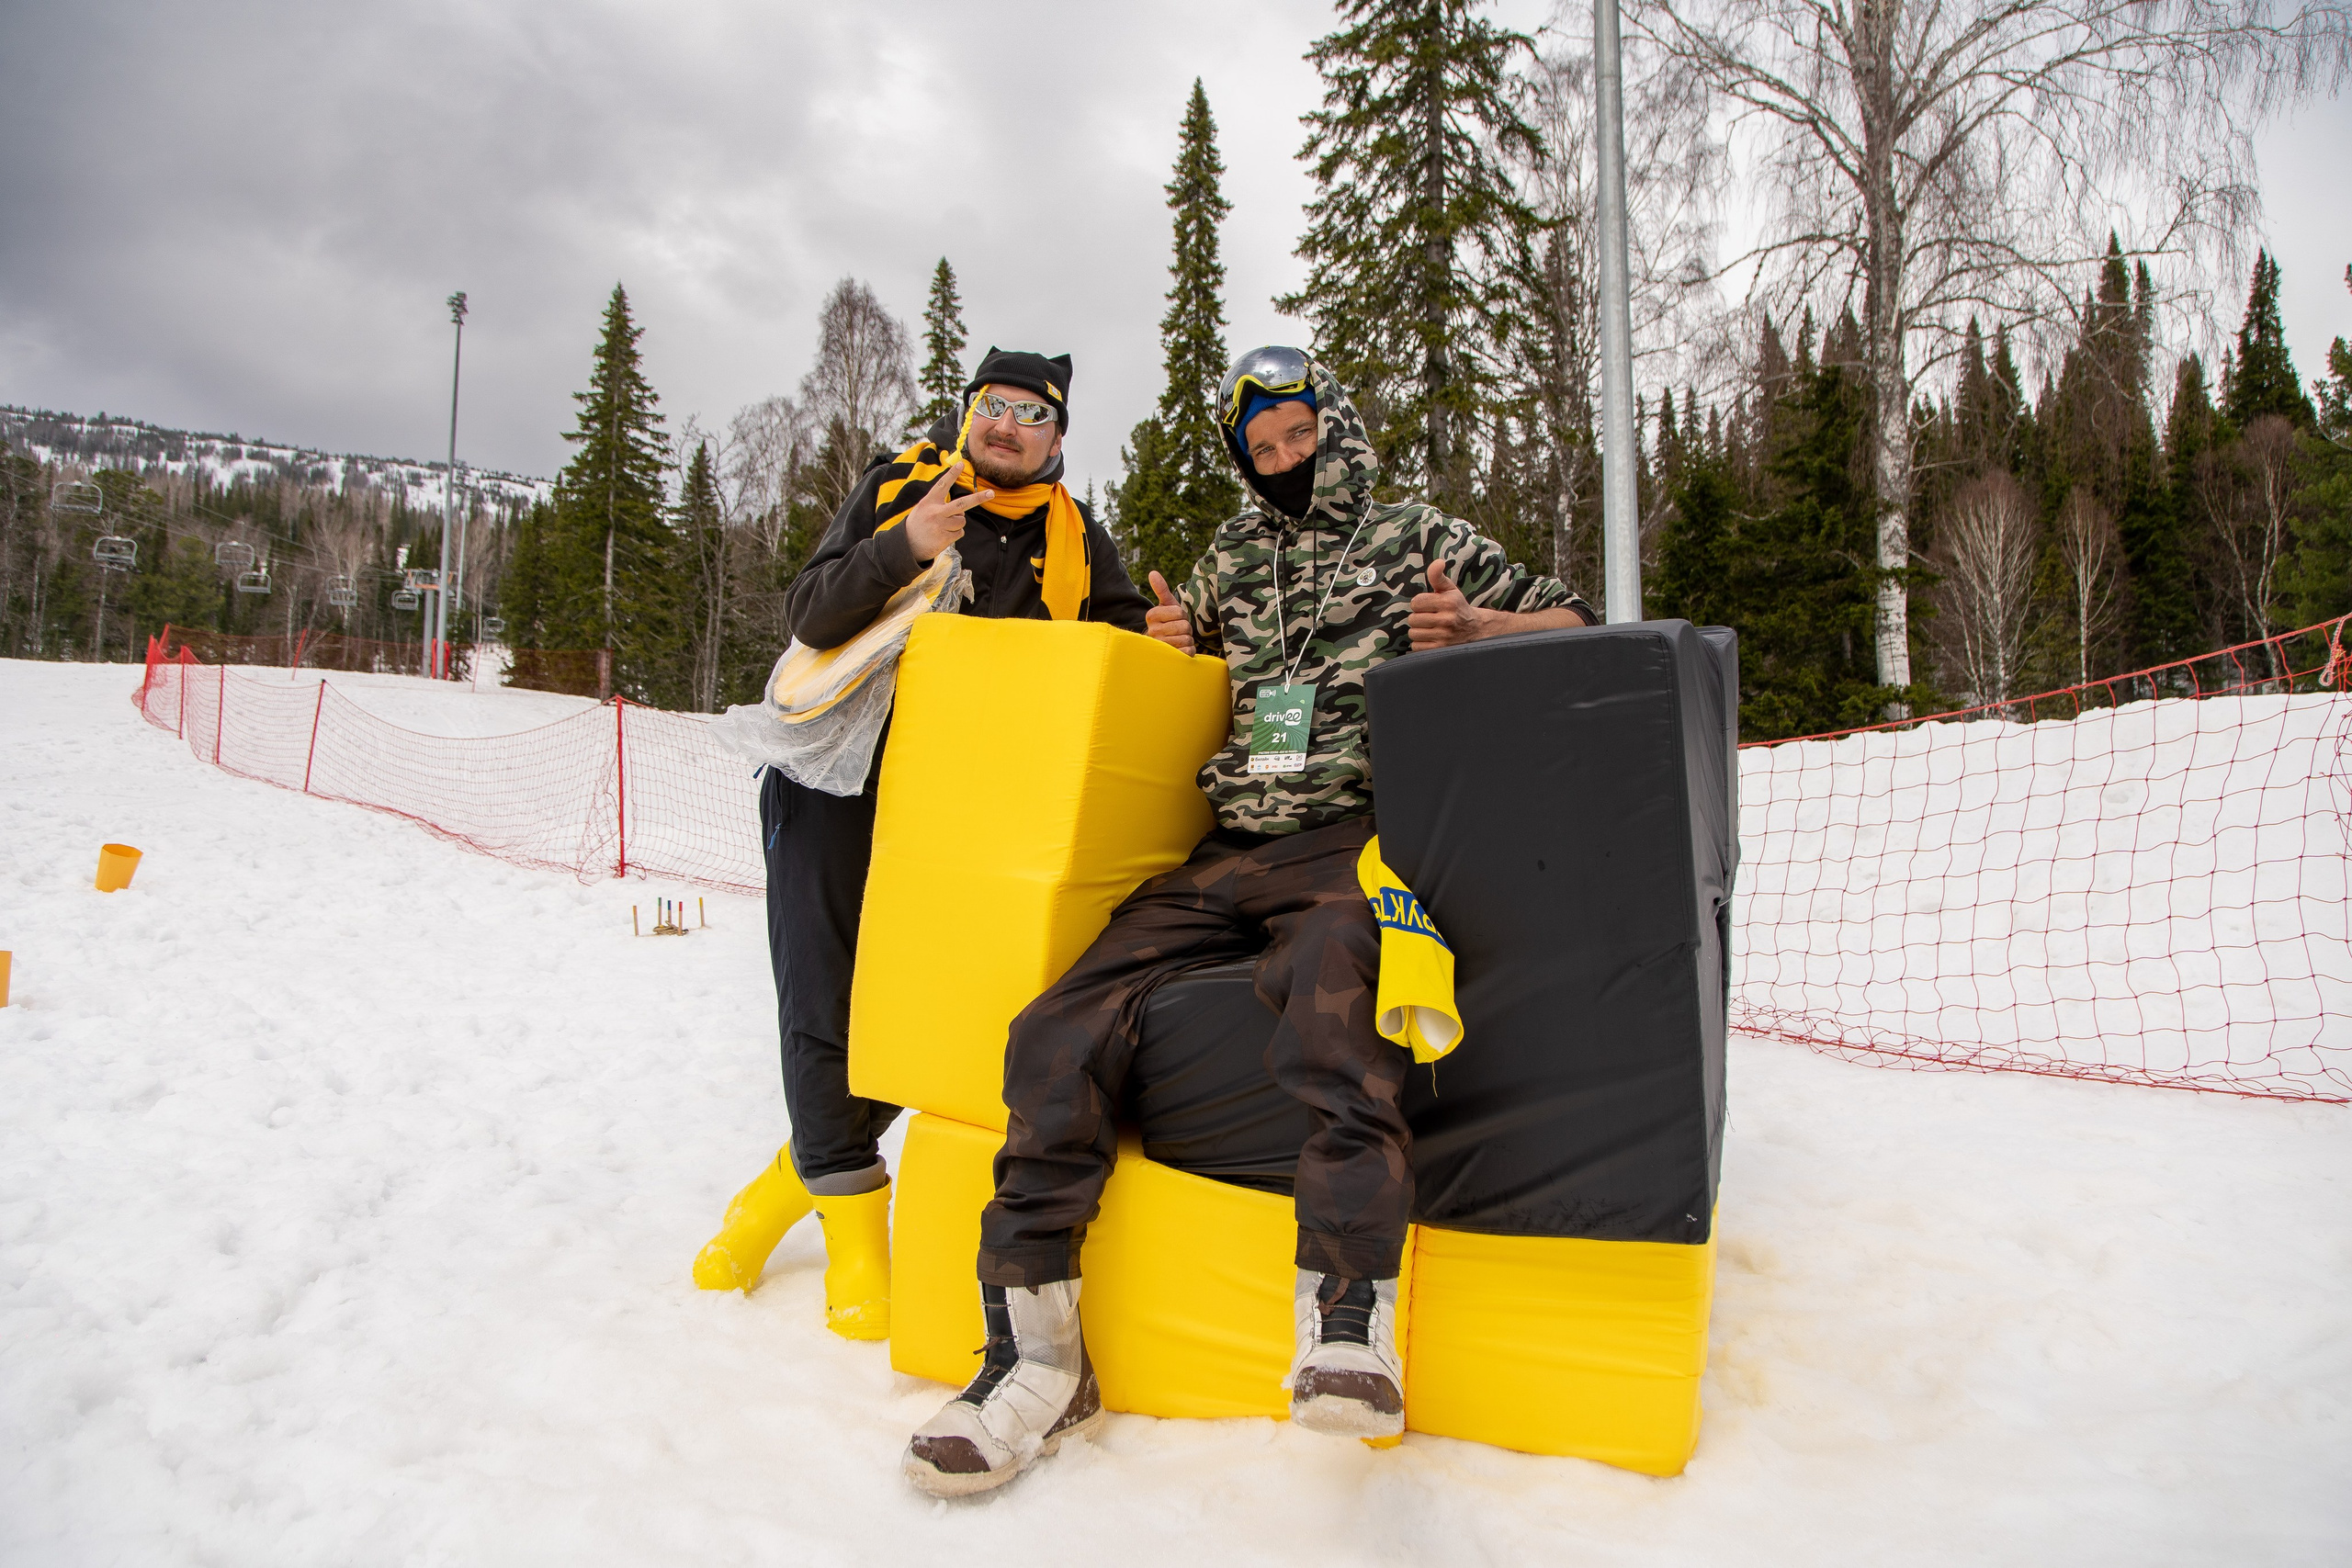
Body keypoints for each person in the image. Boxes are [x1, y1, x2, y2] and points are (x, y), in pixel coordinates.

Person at [902, 346, 1598, 1495]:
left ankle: (1342, 1317)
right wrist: (1180, 650)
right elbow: (1203, 660)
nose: (1281, 461)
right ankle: (1031, 1357)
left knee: (1334, 988)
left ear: (1333, 426)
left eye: (1295, 437)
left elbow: (1578, 615)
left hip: (1347, 842)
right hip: (1224, 843)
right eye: (1259, 448)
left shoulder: (1414, 531)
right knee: (1055, 1022)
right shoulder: (1231, 556)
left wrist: (1475, 628)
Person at [694, 349, 1151, 1339]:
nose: (1008, 425)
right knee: (824, 994)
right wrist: (903, 543)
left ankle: (783, 1188)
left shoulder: (1077, 539)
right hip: (832, 783)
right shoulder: (905, 487)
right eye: (994, 404)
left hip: (959, 810)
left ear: (1057, 438)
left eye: (1033, 413)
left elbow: (1115, 656)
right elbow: (811, 612)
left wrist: (1170, 642)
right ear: (969, 413)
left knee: (932, 1016)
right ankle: (856, 1236)